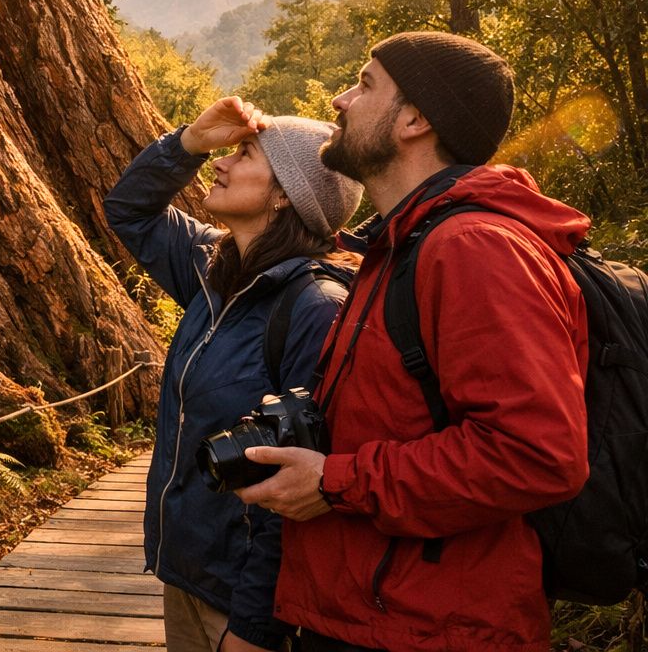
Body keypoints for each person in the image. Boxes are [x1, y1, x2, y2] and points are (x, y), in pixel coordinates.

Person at [235, 32, 589, 652]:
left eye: (365, 83)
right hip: (369, 614)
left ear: (415, 120)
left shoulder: (473, 248)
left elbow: (537, 454)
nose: (341, 100)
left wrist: (336, 481)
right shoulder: (398, 247)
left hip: (431, 627)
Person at [105, 96, 363, 652]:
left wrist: (254, 626)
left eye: (244, 153)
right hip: (187, 578)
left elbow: (296, 490)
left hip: (246, 605)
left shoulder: (315, 308)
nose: (221, 162)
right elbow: (128, 209)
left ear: (283, 195)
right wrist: (188, 144)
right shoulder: (214, 269)